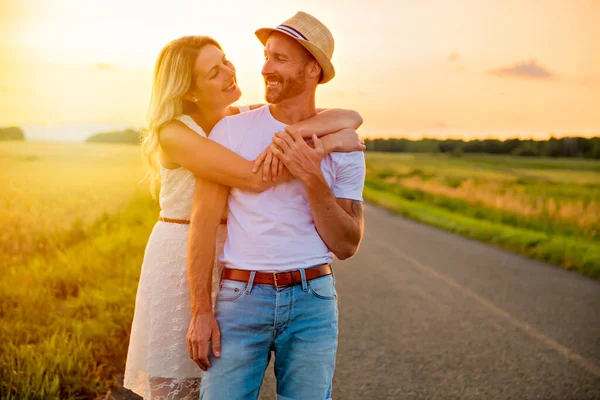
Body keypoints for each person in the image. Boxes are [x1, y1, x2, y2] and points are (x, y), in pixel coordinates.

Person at [123, 34, 365, 399]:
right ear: (190, 90)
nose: (230, 72)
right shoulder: (177, 132)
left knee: (208, 377)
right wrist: (323, 145)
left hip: (230, 261)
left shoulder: (235, 117)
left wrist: (302, 134)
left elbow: (350, 116)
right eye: (213, 72)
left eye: (225, 61)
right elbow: (252, 177)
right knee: (177, 382)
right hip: (182, 254)